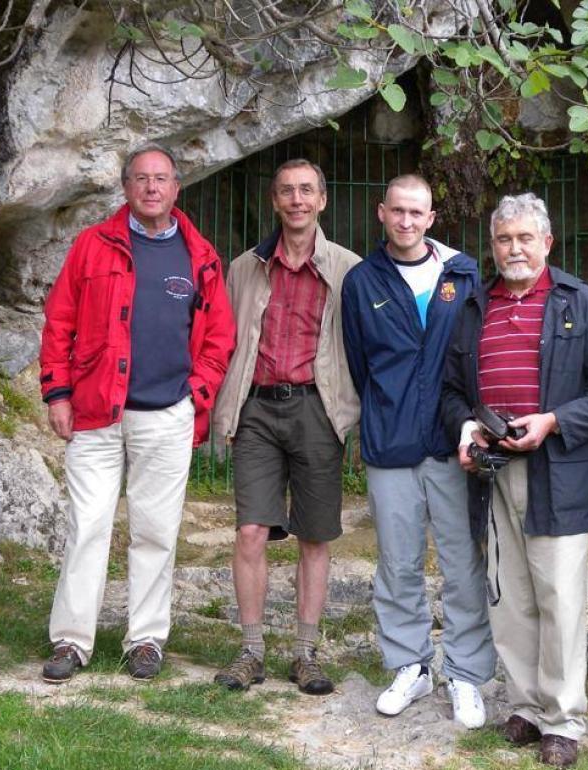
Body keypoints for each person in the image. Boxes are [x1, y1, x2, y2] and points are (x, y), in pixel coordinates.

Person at [38, 142, 237, 683]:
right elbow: (59, 321)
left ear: (177, 189)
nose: (152, 187)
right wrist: (57, 393)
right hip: (96, 413)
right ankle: (70, 641)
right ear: (126, 188)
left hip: (165, 415)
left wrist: (197, 394)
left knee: (155, 531)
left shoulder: (200, 256)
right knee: (87, 526)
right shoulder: (92, 245)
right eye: (141, 178)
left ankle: (145, 640)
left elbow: (220, 337)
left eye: (162, 179)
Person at [441, 192, 588, 767]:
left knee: (560, 597)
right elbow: (449, 390)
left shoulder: (579, 302)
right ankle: (524, 705)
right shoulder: (474, 306)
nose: (514, 248)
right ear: (492, 246)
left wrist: (553, 421)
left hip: (558, 471)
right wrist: (468, 427)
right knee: (510, 596)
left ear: (547, 243)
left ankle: (564, 717)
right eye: (504, 239)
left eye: (525, 238)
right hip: (493, 473)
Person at [341, 174, 495, 727]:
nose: (407, 221)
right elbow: (360, 365)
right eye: (398, 211)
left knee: (462, 562)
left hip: (454, 443)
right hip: (391, 443)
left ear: (433, 217)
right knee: (398, 564)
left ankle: (466, 673)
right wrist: (386, 413)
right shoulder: (362, 281)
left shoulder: (463, 273)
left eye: (418, 212)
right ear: (381, 213)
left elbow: (477, 354)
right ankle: (410, 664)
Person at [210, 158, 361, 696]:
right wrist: (220, 409)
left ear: (322, 200)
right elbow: (225, 343)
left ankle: (305, 653)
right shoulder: (244, 267)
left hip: (317, 411)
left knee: (314, 536)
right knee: (251, 530)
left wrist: (350, 410)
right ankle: (251, 650)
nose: (296, 200)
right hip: (256, 409)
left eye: (306, 191)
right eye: (286, 192)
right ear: (274, 202)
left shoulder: (350, 269)